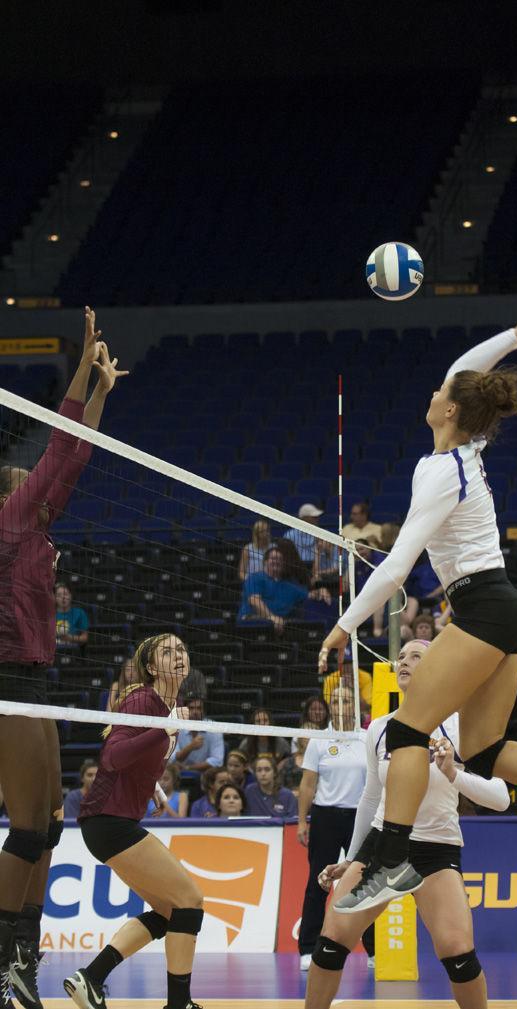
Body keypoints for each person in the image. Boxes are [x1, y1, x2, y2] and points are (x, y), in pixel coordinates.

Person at [318, 300, 517, 916]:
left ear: (452, 410)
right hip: (501, 605)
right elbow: (466, 368)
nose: (434, 391)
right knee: (483, 749)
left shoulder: (439, 473)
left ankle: (392, 859)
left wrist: (342, 625)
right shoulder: (465, 455)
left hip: (484, 609)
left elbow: (398, 565)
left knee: (407, 730)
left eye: (441, 390)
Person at [0, 308, 127, 1009]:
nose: (41, 488)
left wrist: (102, 389)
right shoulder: (11, 519)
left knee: (48, 820)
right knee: (25, 824)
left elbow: (71, 455)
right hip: (7, 680)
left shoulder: (34, 525)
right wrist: (82, 366)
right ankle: (1, 957)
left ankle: (23, 953)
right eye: (25, 481)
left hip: (35, 680)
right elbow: (59, 446)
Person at [304, 639, 509, 1009]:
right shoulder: (379, 728)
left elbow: (501, 797)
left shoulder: (462, 727)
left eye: (417, 656)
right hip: (382, 846)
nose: (404, 661)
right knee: (331, 944)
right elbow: (369, 798)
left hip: (435, 850)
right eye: (400, 656)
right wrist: (351, 858)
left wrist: (453, 774)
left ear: (438, 668)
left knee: (457, 953)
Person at [64, 633, 204, 1009]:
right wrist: (163, 729)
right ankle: (180, 1005)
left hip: (109, 820)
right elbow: (113, 757)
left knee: (169, 911)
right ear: (151, 666)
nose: (178, 655)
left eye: (181, 648)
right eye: (167, 651)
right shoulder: (144, 699)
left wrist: (154, 787)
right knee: (189, 902)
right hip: (109, 820)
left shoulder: (168, 705)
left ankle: (90, 977)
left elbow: (142, 758)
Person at [296, 686, 373, 971]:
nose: (342, 704)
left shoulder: (366, 738)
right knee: (318, 882)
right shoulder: (319, 740)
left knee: (366, 882)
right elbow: (307, 784)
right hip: (326, 817)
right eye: (337, 700)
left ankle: (375, 951)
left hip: (360, 817)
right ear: (330, 706)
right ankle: (307, 948)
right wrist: (302, 820)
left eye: (347, 699)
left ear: (355, 705)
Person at [237, 546, 330, 633]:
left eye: (279, 559)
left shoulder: (290, 585)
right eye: (273, 559)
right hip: (252, 622)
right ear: (265, 562)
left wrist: (321, 591)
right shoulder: (255, 578)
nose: (276, 562)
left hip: (280, 625)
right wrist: (271, 617)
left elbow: (310, 595)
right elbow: (254, 601)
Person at [285, 504, 339, 586]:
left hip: (320, 573)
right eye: (313, 517)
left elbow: (334, 563)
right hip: (296, 571)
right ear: (304, 519)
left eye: (317, 517)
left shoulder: (324, 534)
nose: (317, 519)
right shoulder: (289, 535)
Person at [170, 695, 224, 772]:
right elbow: (173, 758)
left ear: (204, 711)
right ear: (184, 710)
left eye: (199, 708)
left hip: (206, 773)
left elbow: (217, 761)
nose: (195, 712)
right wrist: (190, 747)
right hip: (178, 772)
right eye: (191, 708)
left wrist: (189, 768)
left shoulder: (214, 728)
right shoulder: (176, 727)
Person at [55, 583, 90, 649]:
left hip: (73, 651)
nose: (63, 597)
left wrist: (69, 638)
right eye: (59, 595)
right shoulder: (49, 615)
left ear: (71, 596)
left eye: (65, 594)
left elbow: (85, 638)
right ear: (55, 598)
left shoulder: (79, 613)